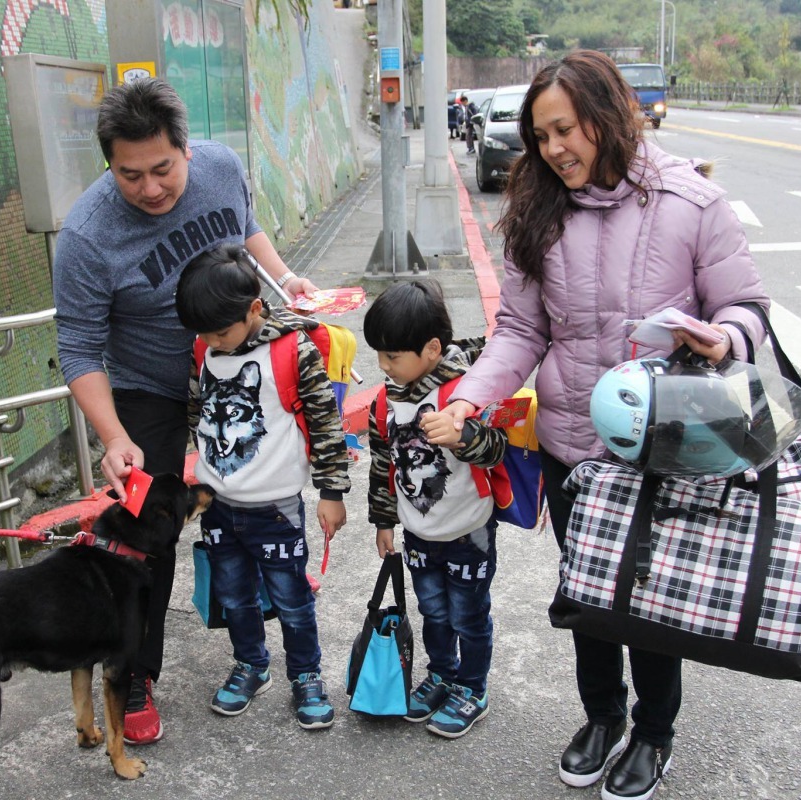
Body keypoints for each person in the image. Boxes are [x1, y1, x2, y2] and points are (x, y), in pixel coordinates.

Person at [431, 51, 769, 800]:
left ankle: (653, 733)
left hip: (662, 447)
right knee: (587, 593)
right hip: (572, 446)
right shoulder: (536, 207)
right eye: (540, 135)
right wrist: (466, 398)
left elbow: (747, 309)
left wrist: (725, 337)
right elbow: (521, 330)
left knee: (649, 600)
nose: (553, 149)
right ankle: (601, 717)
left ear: (608, 116)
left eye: (564, 130)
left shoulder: (691, 202)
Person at [52, 77, 318, 745]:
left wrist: (286, 281)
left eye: (162, 169)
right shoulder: (86, 236)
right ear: (108, 163)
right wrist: (113, 436)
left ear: (187, 150)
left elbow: (246, 228)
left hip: (242, 359)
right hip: (155, 386)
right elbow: (80, 349)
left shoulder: (222, 168)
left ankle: (264, 637)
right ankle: (134, 672)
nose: (149, 189)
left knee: (269, 492)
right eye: (129, 174)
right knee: (145, 524)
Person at [177, 244, 349, 730]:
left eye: (221, 331)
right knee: (233, 597)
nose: (213, 341)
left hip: (275, 509)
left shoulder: (292, 351)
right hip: (218, 507)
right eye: (203, 333)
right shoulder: (204, 350)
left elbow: (326, 423)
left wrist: (332, 493)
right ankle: (251, 664)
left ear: (254, 309)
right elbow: (196, 411)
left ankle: (306, 675)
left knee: (292, 598)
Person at [364, 280, 507, 739]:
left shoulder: (466, 392)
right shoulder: (385, 400)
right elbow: (383, 463)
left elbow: (497, 450)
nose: (384, 367)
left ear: (431, 348)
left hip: (469, 531)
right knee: (433, 611)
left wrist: (463, 437)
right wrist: (384, 519)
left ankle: (473, 687)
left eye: (392, 357)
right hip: (419, 533)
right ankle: (442, 674)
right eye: (380, 357)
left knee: (468, 614)